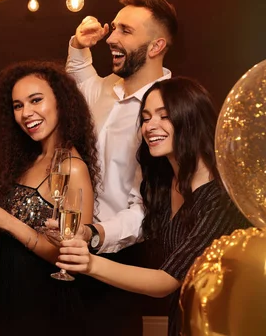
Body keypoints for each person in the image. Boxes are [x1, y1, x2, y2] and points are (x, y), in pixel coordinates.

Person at [56, 77, 251, 336]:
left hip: (220, 324)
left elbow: (165, 281)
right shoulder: (163, 183)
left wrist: (89, 264)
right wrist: (90, 233)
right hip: (181, 319)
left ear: (192, 119)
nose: (150, 126)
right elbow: (138, 223)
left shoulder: (221, 197)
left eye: (164, 116)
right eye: (146, 118)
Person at [64, 0, 178, 333]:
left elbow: (149, 209)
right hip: (72, 249)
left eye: (125, 31)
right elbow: (77, 80)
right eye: (114, 28)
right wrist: (78, 45)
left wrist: (95, 235)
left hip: (121, 258)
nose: (111, 38)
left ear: (156, 46)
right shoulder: (107, 88)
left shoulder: (168, 113)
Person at [0, 60, 100, 335]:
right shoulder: (27, 160)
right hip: (10, 297)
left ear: (61, 102)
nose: (27, 113)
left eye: (36, 100)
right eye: (18, 106)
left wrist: (4, 219)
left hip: (47, 306)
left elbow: (69, 258)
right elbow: (9, 237)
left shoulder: (73, 167)